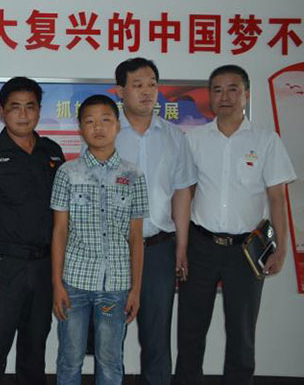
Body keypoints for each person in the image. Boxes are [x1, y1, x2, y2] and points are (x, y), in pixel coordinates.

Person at [174, 65, 296, 385]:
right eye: (217, 90)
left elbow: (277, 199)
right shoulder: (194, 139)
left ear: (246, 94)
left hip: (246, 251)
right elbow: (184, 194)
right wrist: (181, 248)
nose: (224, 96)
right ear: (209, 96)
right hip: (200, 246)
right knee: (190, 329)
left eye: (233, 89)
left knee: (242, 333)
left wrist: (281, 249)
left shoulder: (266, 141)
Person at [0, 76, 65, 385]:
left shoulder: (51, 152)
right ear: (1, 111)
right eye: (15, 107)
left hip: (43, 264)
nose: (23, 114)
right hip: (2, 265)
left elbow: (62, 216)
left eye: (30, 107)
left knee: (35, 344)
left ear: (39, 110)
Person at [50, 94, 147, 385]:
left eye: (106, 120)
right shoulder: (67, 173)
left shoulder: (133, 174)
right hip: (74, 284)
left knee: (110, 360)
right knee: (70, 358)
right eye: (90, 121)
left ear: (118, 125)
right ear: (81, 128)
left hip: (114, 287)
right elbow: (59, 231)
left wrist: (136, 289)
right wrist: (57, 284)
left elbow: (136, 236)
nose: (98, 127)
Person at [114, 58, 195, 385]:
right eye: (137, 85)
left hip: (159, 249)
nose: (147, 92)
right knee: (109, 336)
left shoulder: (174, 136)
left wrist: (181, 246)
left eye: (152, 85)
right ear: (120, 91)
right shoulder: (107, 131)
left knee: (157, 336)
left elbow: (182, 193)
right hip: (114, 250)